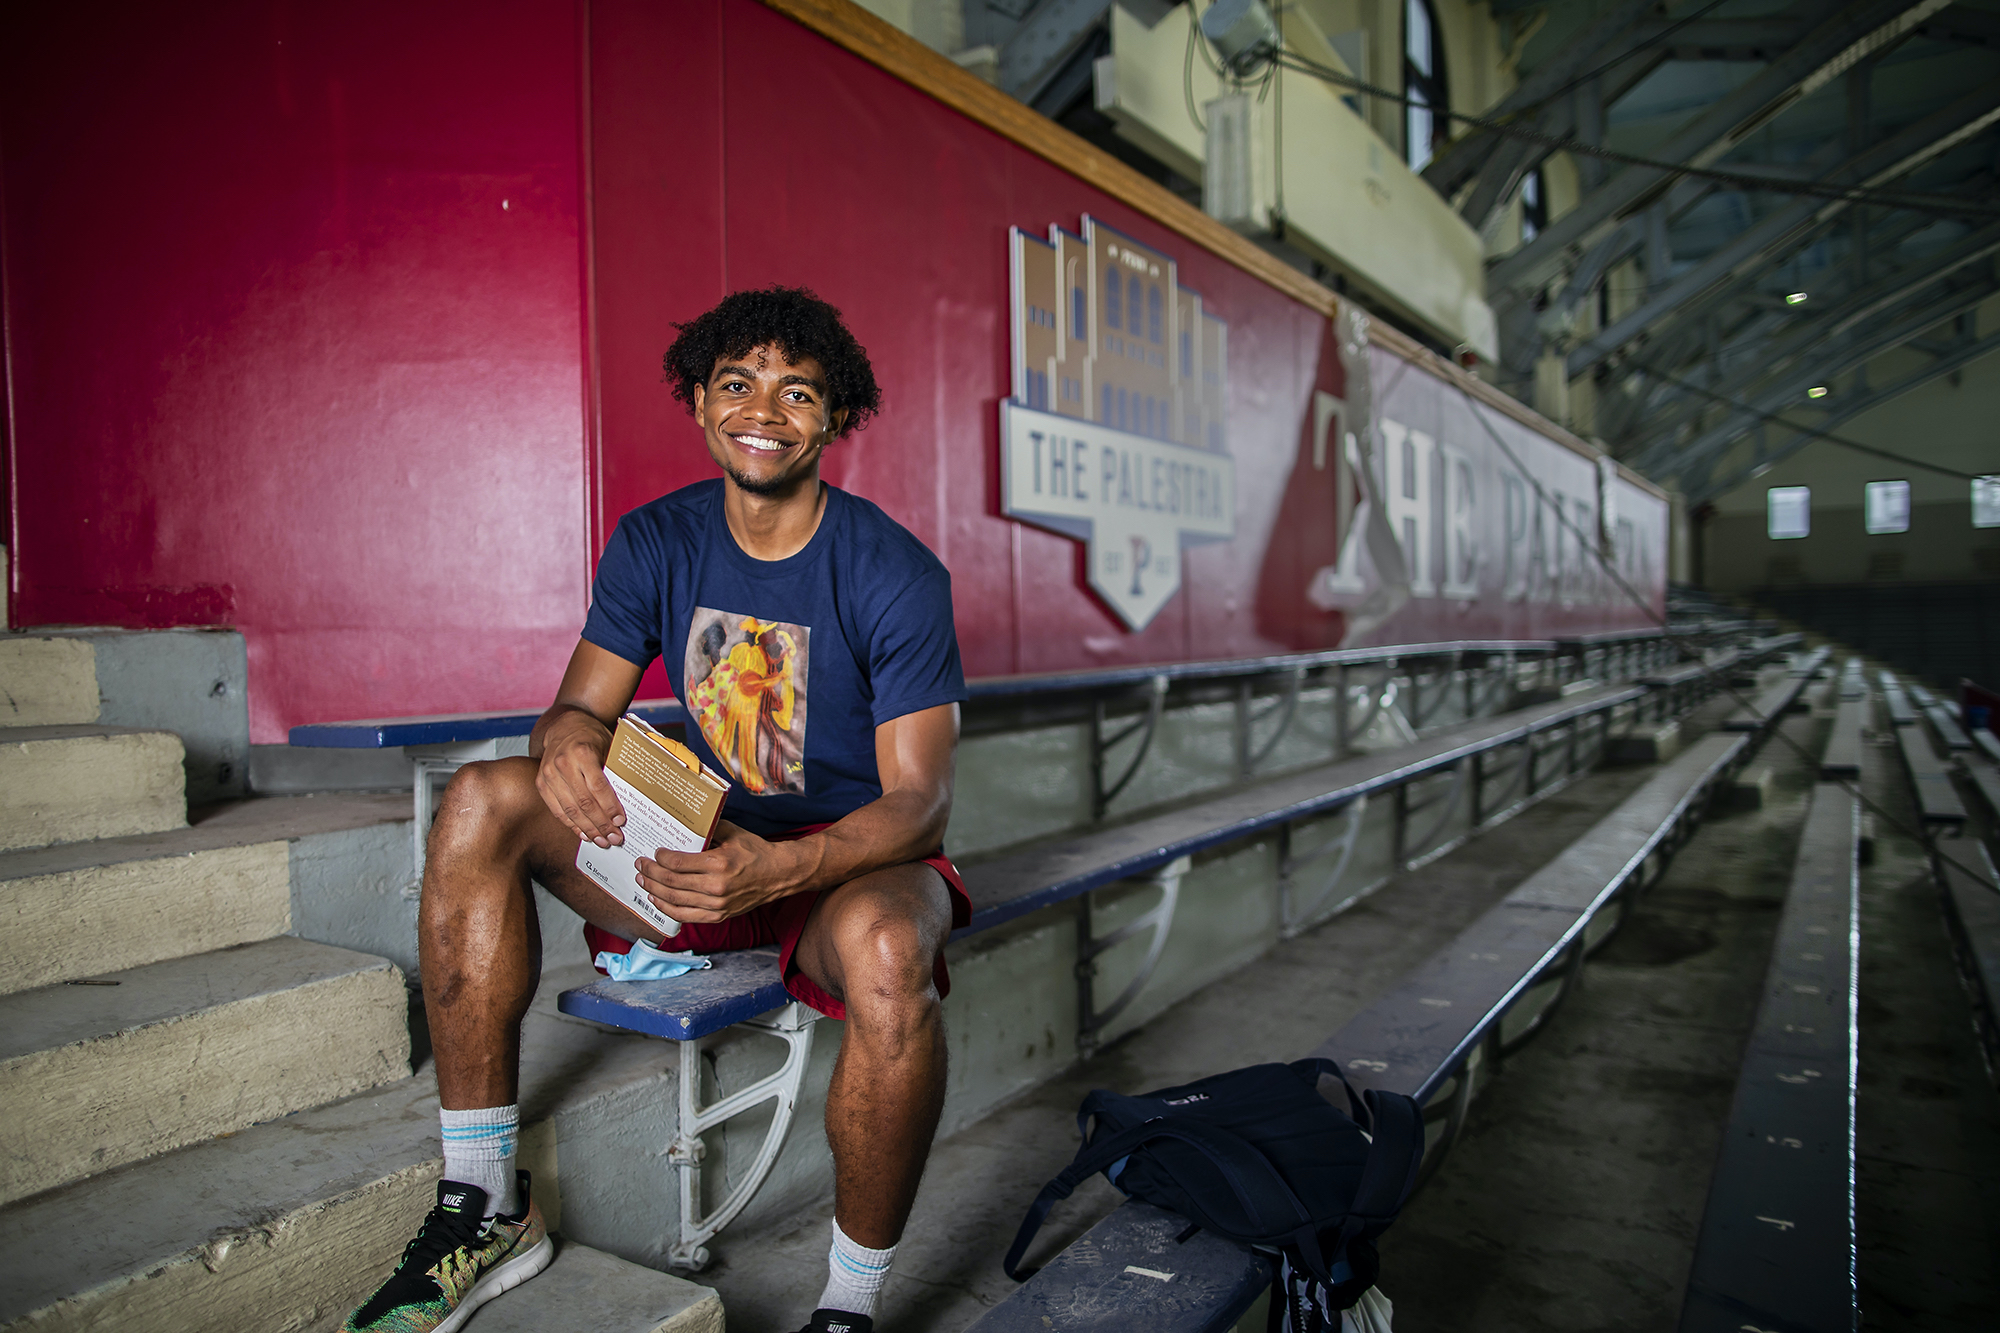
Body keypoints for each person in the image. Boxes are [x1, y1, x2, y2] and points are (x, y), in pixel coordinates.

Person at [344, 287, 968, 1333]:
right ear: (698, 402)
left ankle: (847, 1306)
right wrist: (572, 746)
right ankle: (483, 1200)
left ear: (833, 418)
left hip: (842, 872)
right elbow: (575, 706)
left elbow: (919, 800)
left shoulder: (894, 571)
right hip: (701, 853)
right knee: (482, 798)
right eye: (737, 383)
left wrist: (782, 869)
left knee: (892, 949)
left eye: (796, 391)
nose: (762, 409)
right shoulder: (653, 540)